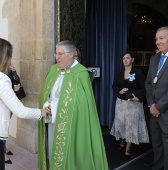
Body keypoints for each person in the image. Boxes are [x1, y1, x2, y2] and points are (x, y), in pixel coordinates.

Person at [38, 40, 108, 170]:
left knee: (68, 155)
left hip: (71, 126)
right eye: (55, 53)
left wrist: (54, 107)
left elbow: (81, 105)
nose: (57, 57)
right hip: (52, 122)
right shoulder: (54, 70)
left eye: (60, 54)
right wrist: (46, 103)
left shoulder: (81, 74)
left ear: (71, 54)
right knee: (52, 150)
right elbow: (46, 92)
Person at [0, 38, 48, 170]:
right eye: (10, 56)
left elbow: (16, 81)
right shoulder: (2, 80)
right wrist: (41, 112)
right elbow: (20, 111)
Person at [110, 51, 149, 156]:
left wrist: (137, 96)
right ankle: (122, 141)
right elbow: (114, 86)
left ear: (132, 59)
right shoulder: (119, 72)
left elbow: (145, 88)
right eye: (124, 58)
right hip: (121, 103)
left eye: (127, 58)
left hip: (133, 104)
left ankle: (128, 148)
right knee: (121, 123)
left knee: (130, 125)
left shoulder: (138, 72)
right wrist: (119, 91)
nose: (125, 60)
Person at [145, 26, 168, 170]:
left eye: (161, 38)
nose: (157, 42)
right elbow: (148, 83)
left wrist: (159, 107)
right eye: (156, 39)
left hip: (166, 112)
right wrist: (151, 104)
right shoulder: (154, 58)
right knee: (157, 144)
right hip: (153, 112)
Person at [4, 64, 20, 164]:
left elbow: (17, 81)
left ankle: (4, 149)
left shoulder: (8, 68)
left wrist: (13, 71)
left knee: (5, 127)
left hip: (9, 102)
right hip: (2, 103)